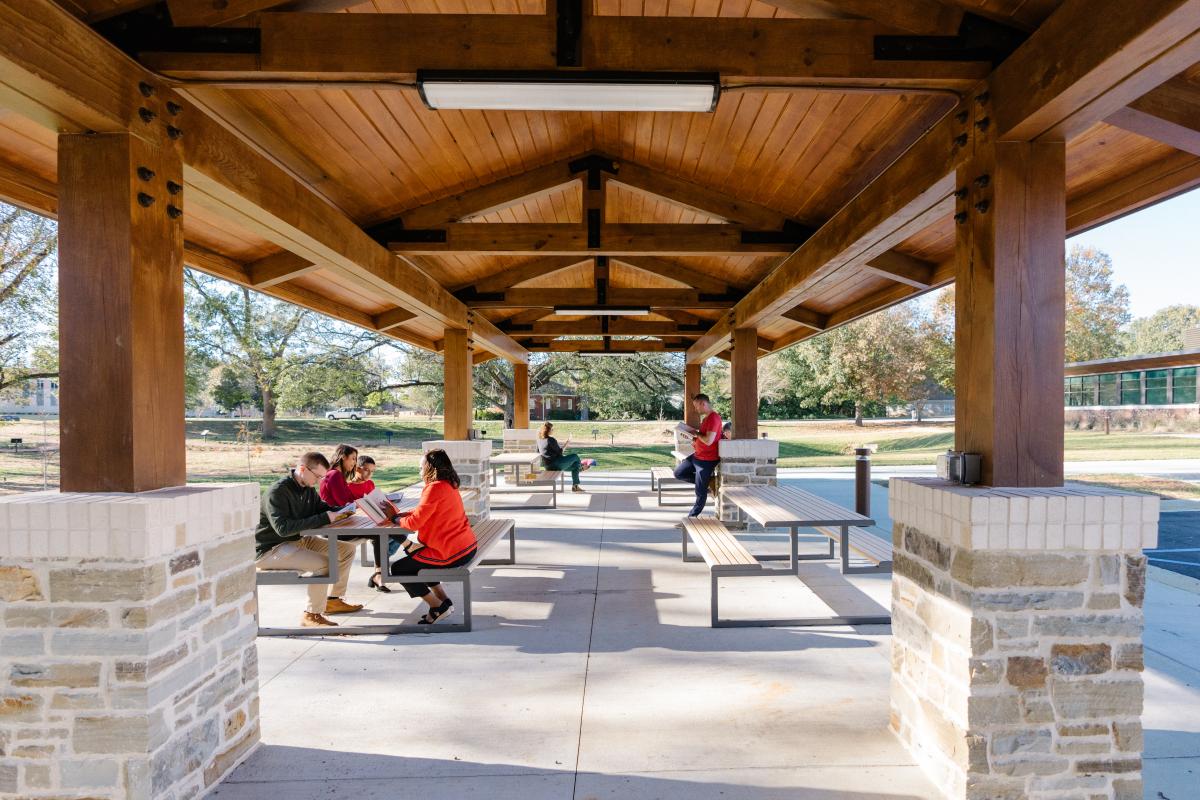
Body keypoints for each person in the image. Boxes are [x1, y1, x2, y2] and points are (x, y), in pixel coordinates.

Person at [254, 452, 364, 628]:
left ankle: (333, 600)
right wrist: (325, 518)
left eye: (322, 477)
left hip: (297, 540)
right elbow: (283, 529)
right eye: (318, 476)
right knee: (325, 564)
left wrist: (344, 510)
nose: (319, 481)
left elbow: (321, 508)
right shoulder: (278, 492)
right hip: (271, 549)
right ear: (303, 469)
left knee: (347, 550)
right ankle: (311, 615)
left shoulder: (307, 488)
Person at [389, 449, 478, 625]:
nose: (419, 471)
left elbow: (414, 523)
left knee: (399, 568)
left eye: (421, 467)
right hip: (464, 547)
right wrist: (403, 515)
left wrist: (396, 519)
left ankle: (437, 606)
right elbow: (425, 511)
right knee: (416, 559)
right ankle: (444, 602)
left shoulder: (434, 488)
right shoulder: (447, 484)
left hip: (450, 552)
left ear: (430, 468)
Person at [320, 446, 402, 593]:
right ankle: (380, 573)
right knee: (381, 531)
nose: (354, 463)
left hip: (340, 524)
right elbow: (343, 502)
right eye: (353, 459)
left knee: (381, 530)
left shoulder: (337, 475)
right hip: (334, 528)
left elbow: (346, 501)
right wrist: (361, 501)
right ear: (343, 457)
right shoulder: (335, 475)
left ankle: (379, 574)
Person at [674, 393, 723, 518]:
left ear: (703, 403)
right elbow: (703, 439)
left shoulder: (714, 418)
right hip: (697, 456)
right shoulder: (707, 418)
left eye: (696, 406)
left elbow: (709, 441)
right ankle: (708, 482)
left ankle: (692, 518)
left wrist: (696, 433)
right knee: (679, 473)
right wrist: (694, 438)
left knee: (700, 492)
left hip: (707, 460)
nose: (696, 409)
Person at [536, 421, 589, 493]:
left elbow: (538, 452)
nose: (553, 430)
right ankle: (581, 468)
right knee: (575, 456)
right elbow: (560, 453)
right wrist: (568, 441)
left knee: (576, 466)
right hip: (556, 464)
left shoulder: (539, 440)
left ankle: (575, 486)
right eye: (552, 429)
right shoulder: (551, 440)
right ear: (548, 430)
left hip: (548, 466)